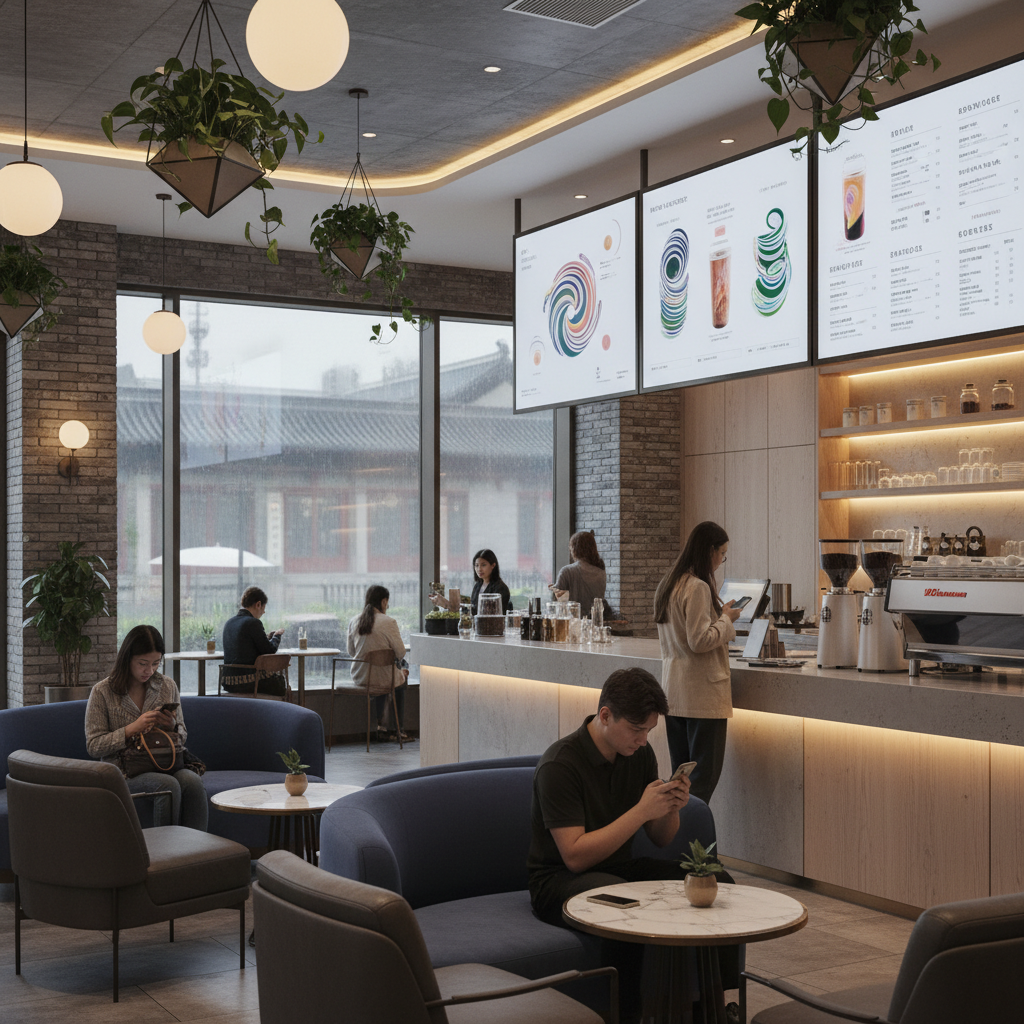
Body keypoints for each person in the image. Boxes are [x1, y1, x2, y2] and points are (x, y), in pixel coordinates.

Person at [528, 667, 735, 1022]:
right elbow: (575, 856)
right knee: (625, 900)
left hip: (619, 869)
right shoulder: (561, 764)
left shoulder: (638, 756)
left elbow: (660, 837)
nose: (642, 740)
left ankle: (713, 1005)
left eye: (649, 731)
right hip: (556, 880)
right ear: (605, 716)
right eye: (636, 730)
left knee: (715, 879)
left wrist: (671, 807)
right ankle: (629, 1015)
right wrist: (640, 812)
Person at [85, 624, 208, 831]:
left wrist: (172, 726)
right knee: (167, 786)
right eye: (143, 663)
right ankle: (164, 856)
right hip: (123, 771)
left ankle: (196, 854)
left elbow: (183, 735)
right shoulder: (103, 691)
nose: (149, 670)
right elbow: (94, 745)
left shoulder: (167, 686)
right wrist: (131, 729)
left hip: (165, 763)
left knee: (192, 781)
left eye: (155, 664)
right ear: (127, 658)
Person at [653, 521, 741, 806]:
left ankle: (676, 845)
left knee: (681, 781)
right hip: (703, 697)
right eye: (721, 554)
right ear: (710, 551)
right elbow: (699, 640)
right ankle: (695, 847)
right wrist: (727, 619)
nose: (720, 562)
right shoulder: (698, 587)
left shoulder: (670, 583)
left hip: (674, 694)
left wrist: (720, 616)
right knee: (701, 783)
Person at [347, 584, 410, 741]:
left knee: (384, 675)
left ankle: (380, 727)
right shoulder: (389, 622)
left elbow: (351, 652)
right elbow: (401, 653)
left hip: (360, 677)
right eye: (387, 603)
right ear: (383, 602)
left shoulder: (354, 621)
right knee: (401, 674)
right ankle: (398, 731)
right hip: (383, 678)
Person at [221, 586, 286, 695]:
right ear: (258, 604)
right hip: (247, 682)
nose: (264, 612)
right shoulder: (253, 623)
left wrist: (267, 637)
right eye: (263, 608)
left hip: (227, 682)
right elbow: (270, 650)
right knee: (280, 681)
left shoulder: (229, 623)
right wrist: (277, 636)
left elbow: (245, 645)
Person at [428, 549, 512, 614]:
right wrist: (448, 604)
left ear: (493, 565)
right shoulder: (478, 585)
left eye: (483, 565)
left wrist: (449, 605)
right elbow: (473, 608)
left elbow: (484, 614)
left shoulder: (501, 588)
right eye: (476, 565)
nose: (479, 569)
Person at [551, 530, 609, 614]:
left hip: (573, 623)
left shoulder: (567, 571)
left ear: (574, 549)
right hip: (594, 622)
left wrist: (554, 588)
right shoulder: (601, 572)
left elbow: (558, 603)